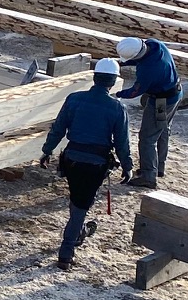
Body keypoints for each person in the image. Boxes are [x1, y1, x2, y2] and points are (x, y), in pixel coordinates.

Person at [39, 58, 133, 270]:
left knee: (77, 199)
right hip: (95, 164)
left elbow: (58, 128)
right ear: (113, 82)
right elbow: (122, 142)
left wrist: (47, 151)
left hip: (71, 160)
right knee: (81, 206)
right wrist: (127, 166)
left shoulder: (74, 99)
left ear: (95, 77)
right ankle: (66, 252)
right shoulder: (117, 108)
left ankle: (79, 232)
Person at [115, 36, 180, 189]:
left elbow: (134, 92)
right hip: (173, 93)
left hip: (161, 102)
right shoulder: (155, 44)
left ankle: (148, 176)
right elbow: (139, 58)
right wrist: (122, 62)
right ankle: (158, 167)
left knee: (147, 138)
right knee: (162, 129)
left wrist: (116, 93)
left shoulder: (148, 70)